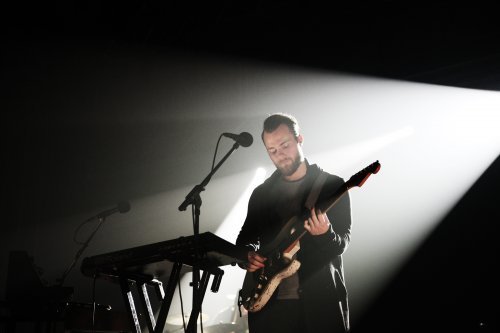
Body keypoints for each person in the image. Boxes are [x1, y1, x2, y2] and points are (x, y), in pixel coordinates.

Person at [236, 113, 352, 333]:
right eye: (272, 151)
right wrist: (247, 256)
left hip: (319, 305)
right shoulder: (261, 194)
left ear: (300, 139)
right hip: (270, 308)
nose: (280, 155)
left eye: (285, 145)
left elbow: (342, 243)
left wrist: (325, 233)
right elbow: (245, 240)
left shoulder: (332, 186)